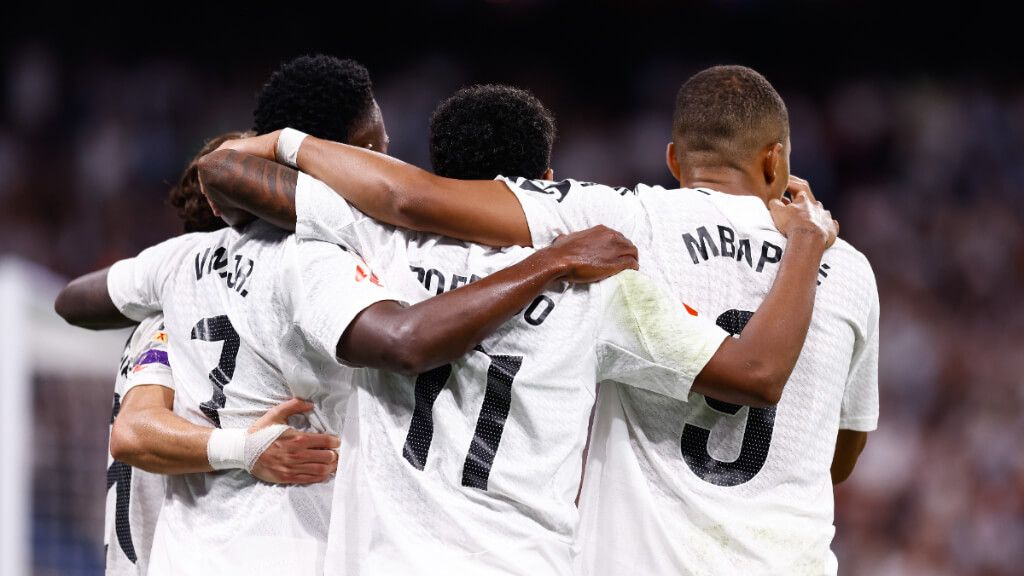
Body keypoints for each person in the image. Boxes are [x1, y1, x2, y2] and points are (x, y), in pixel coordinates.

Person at [219, 65, 876, 575]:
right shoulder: (613, 279)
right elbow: (794, 413)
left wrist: (279, 142)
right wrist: (808, 242)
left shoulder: (375, 245)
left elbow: (390, 197)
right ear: (777, 161)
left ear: (675, 162)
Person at [56, 62, 640, 576]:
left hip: (180, 554)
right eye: (372, 148)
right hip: (292, 546)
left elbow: (75, 301)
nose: (384, 162)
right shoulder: (324, 261)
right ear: (331, 156)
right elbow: (402, 339)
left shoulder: (178, 265)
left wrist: (165, 318)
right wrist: (547, 263)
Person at [56, 132, 341, 576]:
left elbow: (74, 299)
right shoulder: (171, 321)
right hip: (168, 557)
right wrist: (243, 448)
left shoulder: (174, 296)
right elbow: (133, 432)